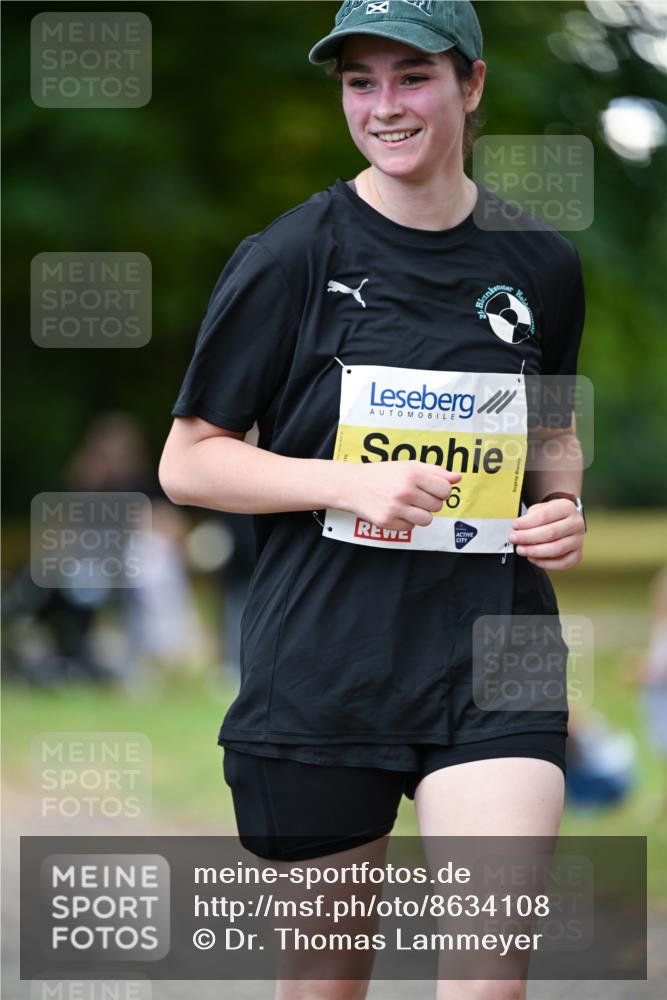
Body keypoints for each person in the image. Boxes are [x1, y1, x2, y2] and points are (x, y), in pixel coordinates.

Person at [159, 2, 586, 996]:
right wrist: (343, 479)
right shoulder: (290, 256)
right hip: (323, 667)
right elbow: (189, 461)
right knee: (324, 982)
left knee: (489, 977)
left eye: (411, 77)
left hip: (497, 654)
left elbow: (553, 430)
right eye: (360, 81)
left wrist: (561, 502)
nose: (383, 105)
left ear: (470, 84)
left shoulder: (541, 264)